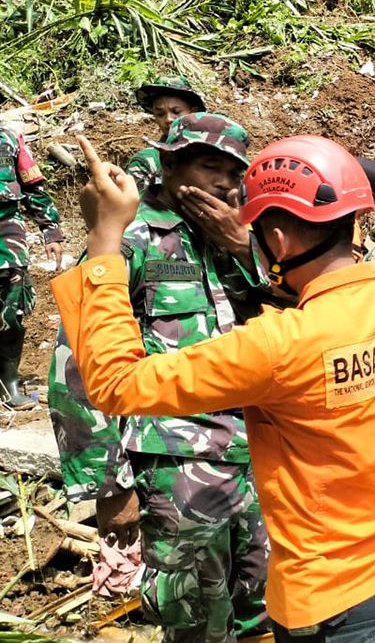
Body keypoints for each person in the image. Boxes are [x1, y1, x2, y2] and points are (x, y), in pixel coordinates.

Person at [54, 134, 375, 642]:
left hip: (334, 599)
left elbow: (115, 383)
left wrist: (102, 240)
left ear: (276, 241)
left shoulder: (278, 345)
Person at [48, 113, 269, 643]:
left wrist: (243, 245)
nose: (223, 182)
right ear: (169, 165)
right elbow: (77, 363)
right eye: (208, 166)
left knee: (262, 607)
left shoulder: (235, 237)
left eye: (232, 172)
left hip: (256, 455)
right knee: (192, 616)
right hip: (178, 468)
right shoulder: (129, 240)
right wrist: (109, 486)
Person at [0, 123, 64, 406]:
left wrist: (50, 230)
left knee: (12, 307)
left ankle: (7, 384)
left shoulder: (10, 138)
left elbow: (33, 185)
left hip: (6, 231)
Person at [127, 76, 206, 193]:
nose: (168, 119)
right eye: (160, 114)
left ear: (193, 113)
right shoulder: (147, 161)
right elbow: (133, 206)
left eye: (176, 112)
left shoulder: (213, 156)